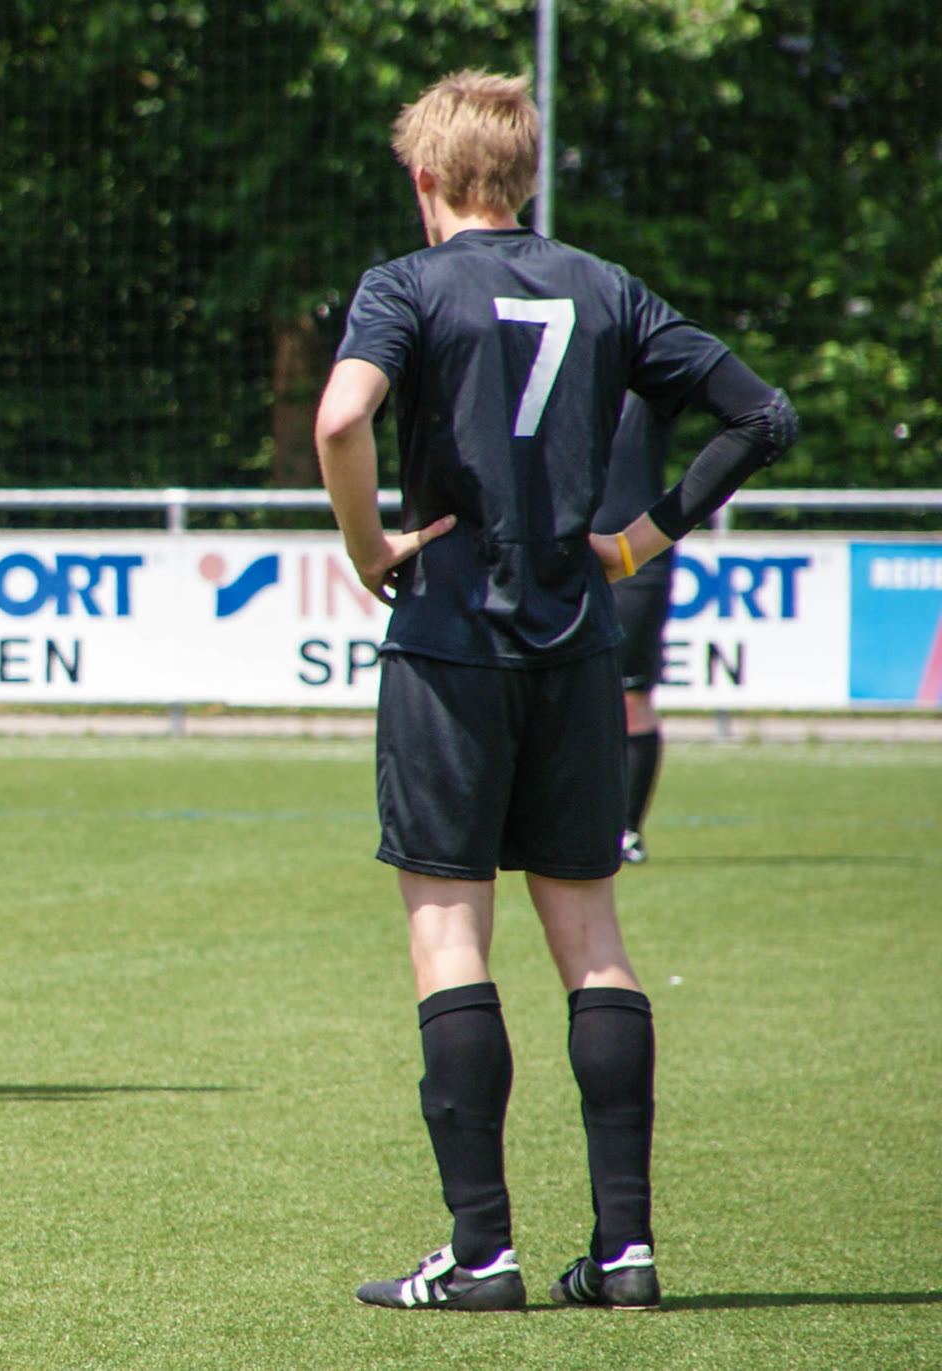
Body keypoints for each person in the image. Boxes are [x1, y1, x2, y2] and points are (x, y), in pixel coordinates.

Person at [313, 71, 795, 1312]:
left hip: (448, 642)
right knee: (591, 943)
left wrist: (366, 547)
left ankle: (481, 1257)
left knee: (447, 931)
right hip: (575, 644)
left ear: (425, 177)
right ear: (523, 177)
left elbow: (338, 421)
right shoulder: (604, 288)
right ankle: (623, 1253)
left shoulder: (403, 286)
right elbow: (758, 416)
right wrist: (637, 540)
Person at [596, 395, 679, 865]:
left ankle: (626, 829)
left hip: (636, 557)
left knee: (630, 696)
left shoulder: (647, 385)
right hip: (557, 550)